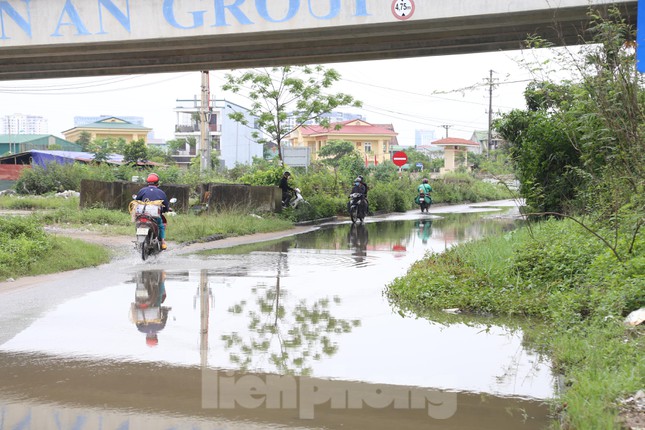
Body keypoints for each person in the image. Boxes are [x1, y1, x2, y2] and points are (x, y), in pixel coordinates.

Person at [136, 173, 170, 250]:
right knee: (161, 225)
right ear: (157, 182)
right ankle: (163, 242)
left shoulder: (142, 190)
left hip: (142, 215)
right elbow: (165, 205)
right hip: (154, 216)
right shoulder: (161, 192)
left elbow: (137, 201)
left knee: (138, 223)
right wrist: (166, 209)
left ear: (147, 182)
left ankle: (138, 240)